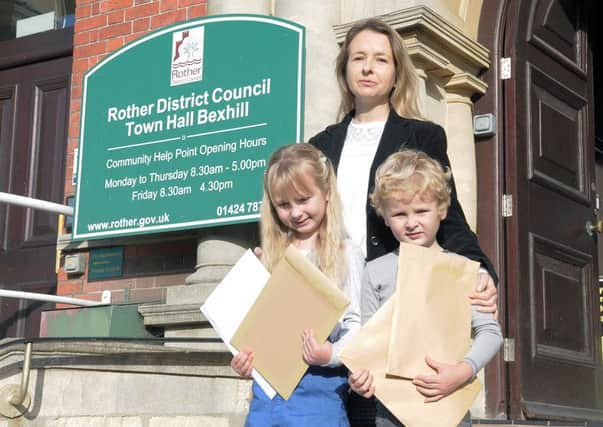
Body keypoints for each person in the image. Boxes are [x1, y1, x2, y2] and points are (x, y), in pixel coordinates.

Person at [348, 149, 503, 427]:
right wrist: (360, 377)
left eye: (421, 211)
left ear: (442, 210)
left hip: (447, 403)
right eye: (399, 214)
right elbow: (366, 340)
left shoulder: (463, 270)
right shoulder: (375, 271)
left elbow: (490, 333)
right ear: (384, 217)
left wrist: (463, 371)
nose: (411, 222)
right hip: (390, 410)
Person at [230, 143, 364, 427]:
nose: (295, 212)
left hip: (319, 395)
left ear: (326, 192)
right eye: (284, 205)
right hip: (266, 400)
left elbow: (356, 326)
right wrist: (243, 360)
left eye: (304, 199)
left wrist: (330, 354)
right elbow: (252, 328)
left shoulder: (344, 252)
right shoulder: (268, 257)